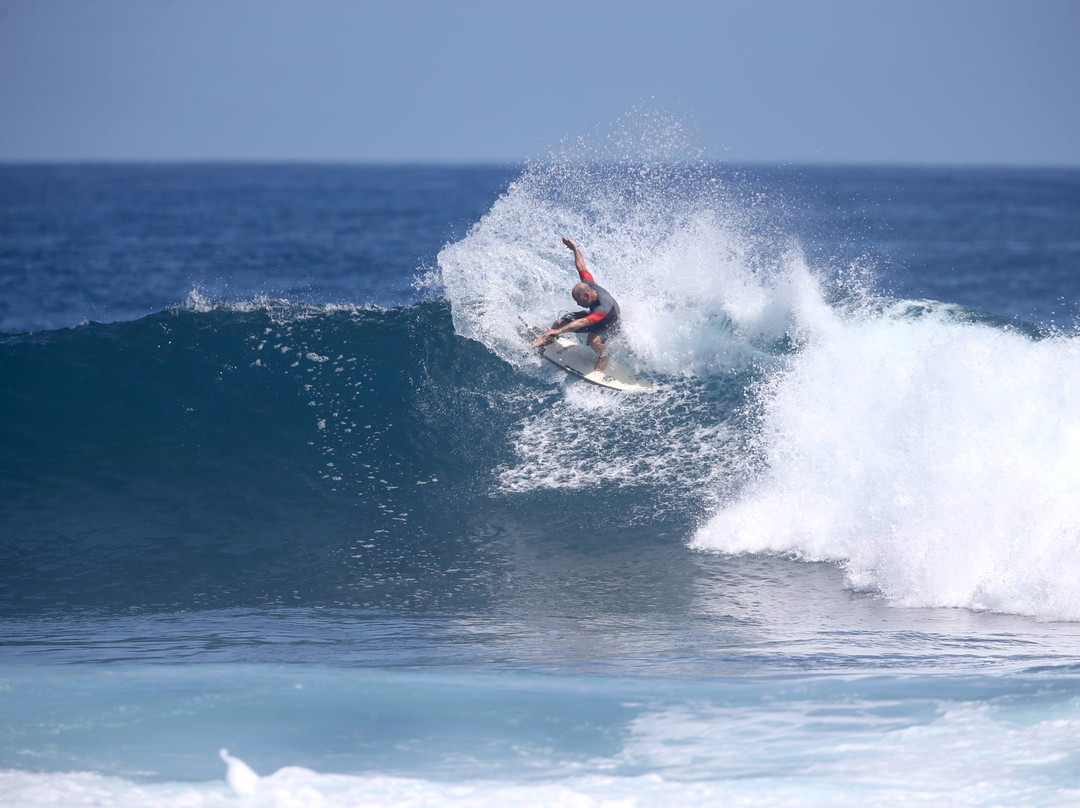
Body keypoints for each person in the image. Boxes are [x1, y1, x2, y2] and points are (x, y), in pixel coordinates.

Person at [533, 237, 621, 372]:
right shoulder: (588, 284)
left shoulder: (603, 307)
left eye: (579, 301)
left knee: (593, 340)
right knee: (558, 323)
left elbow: (582, 322)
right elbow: (581, 266)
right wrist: (574, 248)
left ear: (586, 296)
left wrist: (558, 331)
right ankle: (550, 338)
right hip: (592, 317)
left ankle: (603, 356)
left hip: (609, 324)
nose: (579, 305)